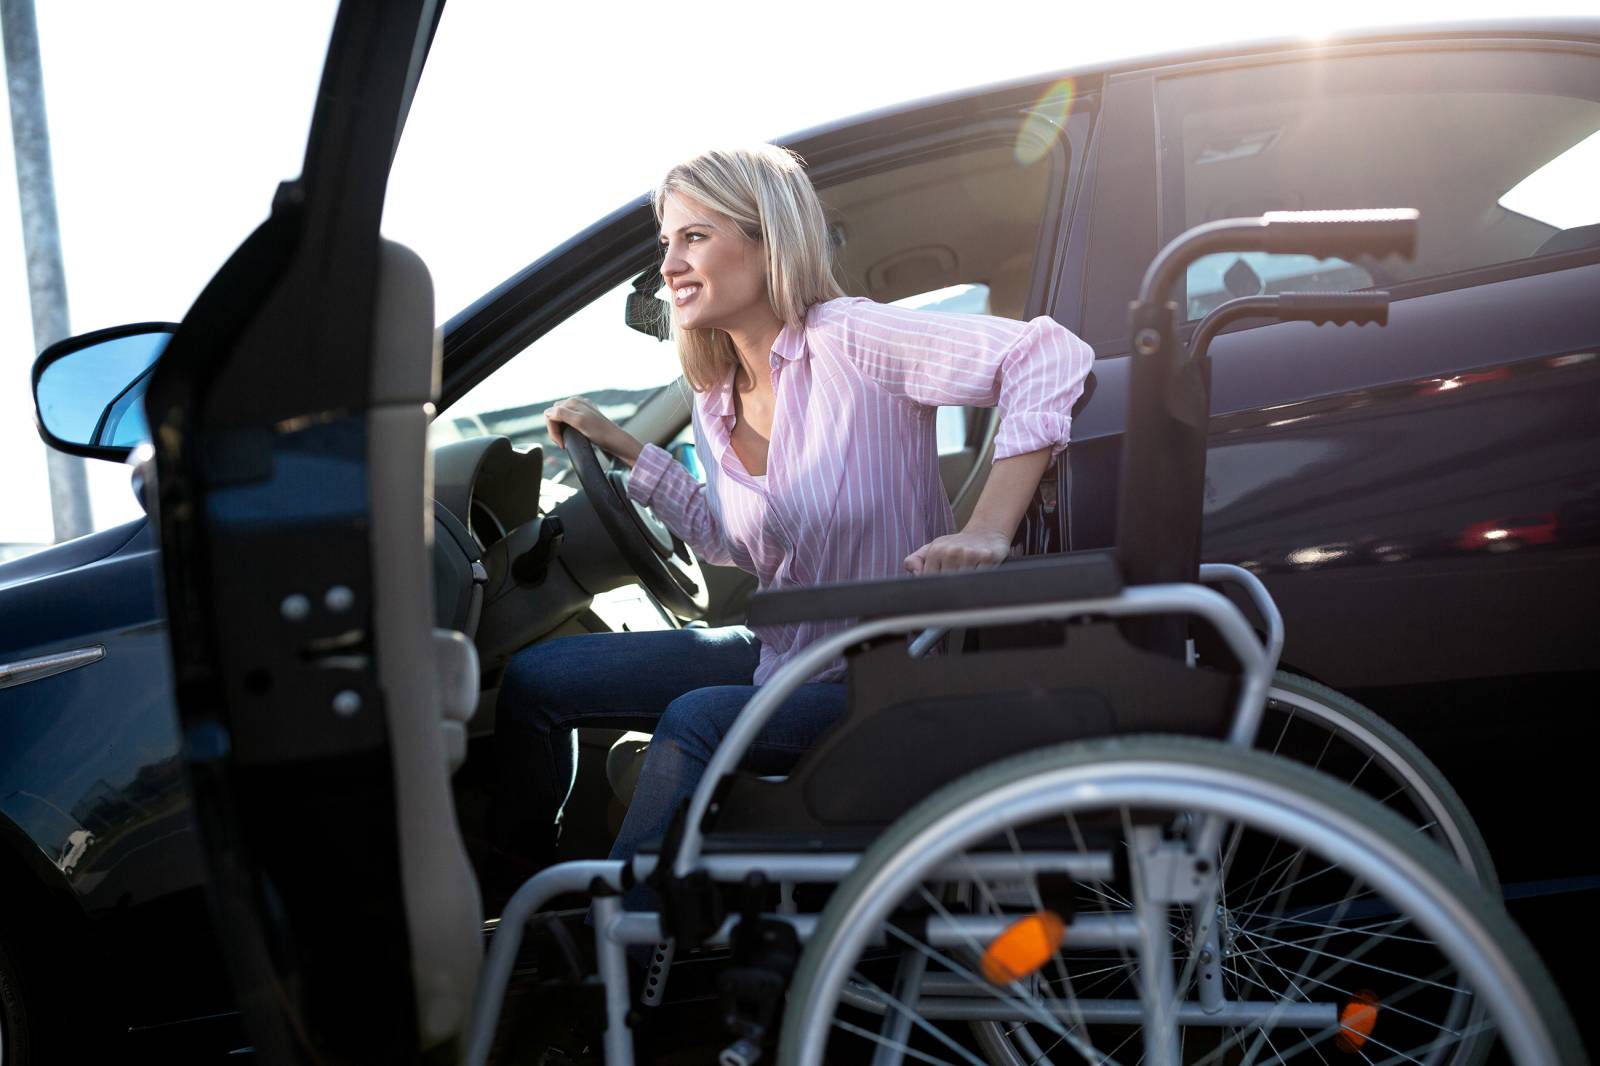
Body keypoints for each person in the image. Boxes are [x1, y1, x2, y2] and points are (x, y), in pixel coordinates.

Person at [492, 144, 1093, 883]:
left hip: (882, 675)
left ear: (764, 237)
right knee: (536, 679)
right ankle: (508, 895)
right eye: (665, 244)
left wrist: (986, 529)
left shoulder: (850, 338)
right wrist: (623, 449)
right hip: (785, 655)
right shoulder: (715, 400)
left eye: (695, 237)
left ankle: (609, 932)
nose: (669, 265)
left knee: (698, 719)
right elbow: (728, 544)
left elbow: (1048, 355)